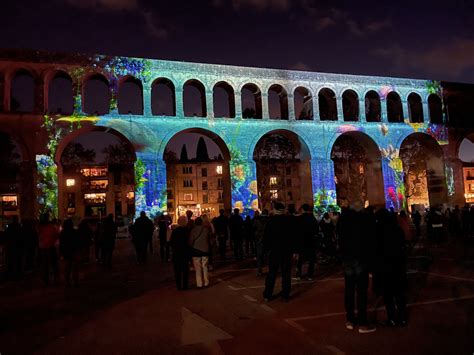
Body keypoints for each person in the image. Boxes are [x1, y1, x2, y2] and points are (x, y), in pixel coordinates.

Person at [337, 200, 376, 333]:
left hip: (347, 258)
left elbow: (339, 237)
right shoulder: (364, 219)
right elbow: (370, 239)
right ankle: (362, 322)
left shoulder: (343, 219)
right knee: (361, 291)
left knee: (349, 290)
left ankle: (350, 319)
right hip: (361, 258)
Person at [376, 209, 407, 327]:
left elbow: (377, 250)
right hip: (398, 265)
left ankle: (392, 318)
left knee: (388, 295)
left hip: (386, 267)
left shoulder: (379, 231)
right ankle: (402, 318)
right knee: (400, 294)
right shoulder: (397, 229)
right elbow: (403, 246)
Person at [263, 202, 292, 302]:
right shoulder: (288, 221)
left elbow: (266, 237)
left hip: (274, 250)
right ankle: (285, 294)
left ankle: (267, 294)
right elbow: (292, 237)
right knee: (286, 273)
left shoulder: (271, 222)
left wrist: (266, 251)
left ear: (275, 210)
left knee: (272, 273)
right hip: (286, 250)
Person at [295, 204, 319, 280]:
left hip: (302, 241)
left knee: (300, 259)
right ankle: (310, 275)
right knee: (311, 259)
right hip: (311, 241)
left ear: (303, 209)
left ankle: (298, 275)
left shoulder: (299, 219)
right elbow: (317, 230)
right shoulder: (313, 219)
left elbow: (296, 231)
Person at [37, 213, 60, 286]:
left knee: (45, 265)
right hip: (50, 248)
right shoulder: (52, 227)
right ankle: (55, 280)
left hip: (43, 249)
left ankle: (46, 280)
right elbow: (57, 236)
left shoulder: (40, 228)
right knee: (54, 265)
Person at [189, 217, 211, 288]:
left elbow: (191, 241)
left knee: (197, 268)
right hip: (205, 249)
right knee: (205, 267)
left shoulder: (193, 230)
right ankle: (206, 282)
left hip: (195, 250)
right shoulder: (206, 230)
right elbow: (209, 238)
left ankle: (199, 284)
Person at [169, 215, 190, 290]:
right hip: (185, 253)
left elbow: (171, 242)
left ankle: (178, 286)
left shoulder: (175, 231)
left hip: (177, 253)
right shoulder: (187, 231)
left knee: (177, 271)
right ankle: (185, 285)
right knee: (185, 270)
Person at [59, 218, 81, 287]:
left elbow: (61, 244)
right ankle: (75, 281)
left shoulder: (62, 233)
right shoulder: (75, 231)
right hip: (74, 251)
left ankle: (67, 281)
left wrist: (61, 252)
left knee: (67, 267)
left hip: (66, 252)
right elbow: (78, 241)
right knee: (75, 268)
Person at [253, 209, 269, 276]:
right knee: (268, 256)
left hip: (259, 240)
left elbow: (253, 229)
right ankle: (270, 269)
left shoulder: (257, 221)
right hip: (267, 240)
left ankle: (260, 270)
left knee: (260, 256)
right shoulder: (269, 221)